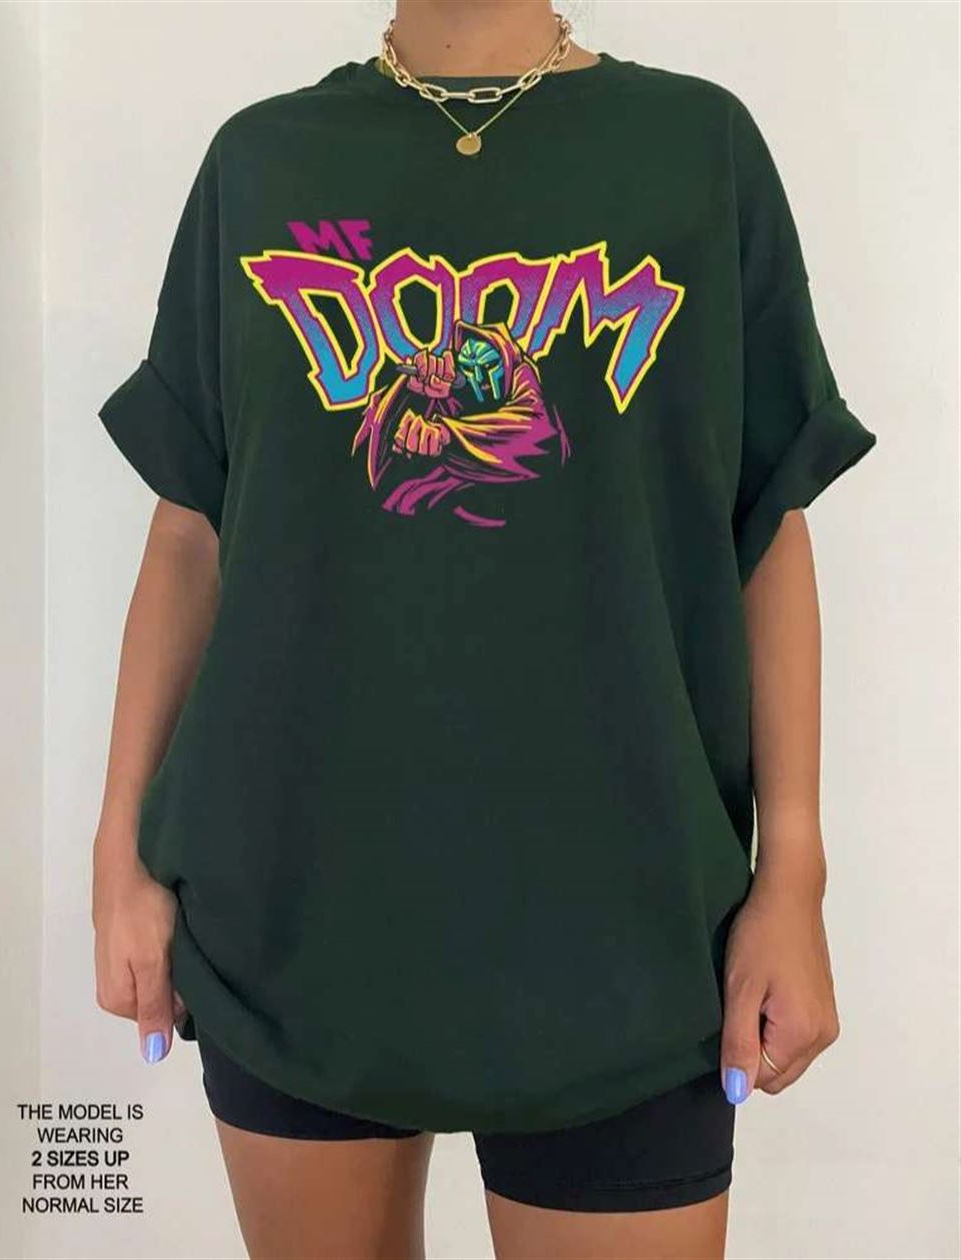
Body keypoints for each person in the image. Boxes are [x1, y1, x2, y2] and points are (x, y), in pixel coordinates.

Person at [91, 2, 877, 1256]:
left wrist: (793, 869)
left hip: (625, 921)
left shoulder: (695, 149)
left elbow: (765, 518)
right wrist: (117, 852)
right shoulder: (263, 161)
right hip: (291, 906)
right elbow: (191, 529)